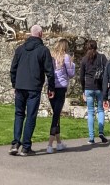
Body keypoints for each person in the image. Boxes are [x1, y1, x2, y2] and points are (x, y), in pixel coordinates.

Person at [9, 25, 55, 156]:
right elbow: (49, 71)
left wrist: (15, 84)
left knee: (19, 114)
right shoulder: (43, 50)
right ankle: (26, 146)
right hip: (33, 87)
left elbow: (13, 69)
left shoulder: (20, 49)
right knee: (30, 116)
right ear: (40, 34)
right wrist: (51, 88)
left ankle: (15, 143)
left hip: (20, 86)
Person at [46, 38, 75, 153]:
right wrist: (72, 65)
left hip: (51, 86)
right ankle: (49, 144)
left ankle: (58, 143)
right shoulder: (66, 57)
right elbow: (71, 74)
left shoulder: (51, 56)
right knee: (56, 115)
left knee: (56, 114)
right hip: (61, 88)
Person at [79, 40, 108, 144]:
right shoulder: (102, 57)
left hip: (88, 87)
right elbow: (107, 71)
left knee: (90, 112)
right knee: (100, 110)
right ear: (96, 47)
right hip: (99, 87)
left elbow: (81, 77)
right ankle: (101, 131)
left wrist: (83, 90)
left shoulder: (84, 59)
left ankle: (91, 137)